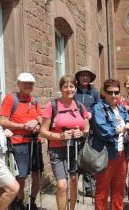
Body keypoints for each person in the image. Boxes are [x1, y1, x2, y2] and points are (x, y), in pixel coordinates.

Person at [40, 75, 90, 210]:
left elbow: (86, 128)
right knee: (62, 185)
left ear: (75, 88)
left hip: (75, 149)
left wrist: (81, 134)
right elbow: (43, 131)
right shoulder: (53, 106)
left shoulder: (79, 106)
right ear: (61, 89)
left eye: (72, 86)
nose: (69, 89)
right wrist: (60, 136)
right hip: (57, 150)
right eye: (66, 86)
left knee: (73, 182)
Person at [0, 73, 43, 210]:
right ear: (18, 84)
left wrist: (36, 121)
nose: (28, 86)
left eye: (30, 83)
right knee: (21, 176)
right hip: (18, 143)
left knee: (37, 174)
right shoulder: (10, 99)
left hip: (35, 142)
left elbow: (41, 118)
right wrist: (23, 126)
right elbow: (3, 121)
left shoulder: (35, 100)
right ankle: (18, 203)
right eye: (25, 83)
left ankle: (32, 202)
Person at [91, 79, 129, 210]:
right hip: (105, 154)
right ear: (104, 92)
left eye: (116, 92)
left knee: (119, 189)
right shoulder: (98, 108)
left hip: (122, 154)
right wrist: (120, 129)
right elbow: (103, 130)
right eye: (110, 92)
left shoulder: (122, 109)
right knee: (102, 190)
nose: (113, 95)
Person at [74, 66, 101, 197]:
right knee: (76, 157)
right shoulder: (74, 91)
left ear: (90, 78)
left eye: (87, 75)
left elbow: (99, 107)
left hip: (90, 129)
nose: (85, 77)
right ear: (78, 77)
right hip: (75, 128)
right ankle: (73, 185)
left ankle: (90, 187)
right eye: (82, 75)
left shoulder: (94, 92)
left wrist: (92, 114)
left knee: (89, 158)